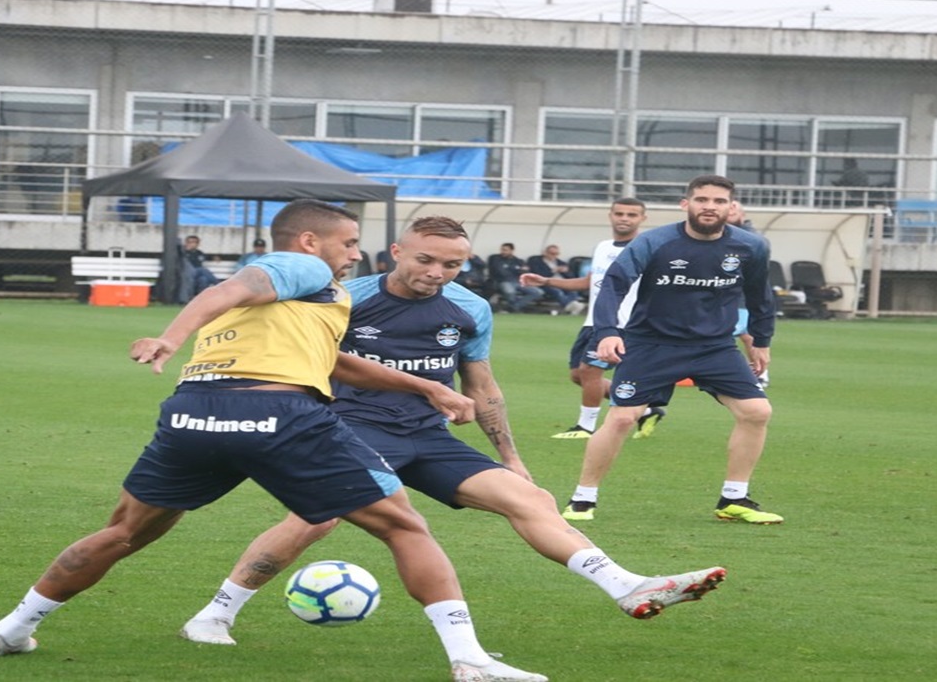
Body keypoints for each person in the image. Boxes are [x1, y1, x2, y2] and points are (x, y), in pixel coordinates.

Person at [0, 200, 545, 682]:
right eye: (348, 244)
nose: (355, 255)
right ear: (311, 241)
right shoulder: (298, 269)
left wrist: (426, 388)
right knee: (403, 525)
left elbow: (334, 362)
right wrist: (169, 337)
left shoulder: (300, 304)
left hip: (194, 413)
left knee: (124, 532)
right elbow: (243, 283)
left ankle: (10, 630)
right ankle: (470, 661)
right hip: (277, 412)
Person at [179, 216, 724, 654]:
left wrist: (510, 456)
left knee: (528, 498)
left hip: (426, 436)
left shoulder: (470, 308)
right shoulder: (345, 295)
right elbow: (311, 355)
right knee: (316, 519)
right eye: (426, 259)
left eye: (453, 264)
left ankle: (627, 586)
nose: (438, 272)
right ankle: (214, 614)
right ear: (396, 252)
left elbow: (480, 384)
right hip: (350, 429)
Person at [562, 175, 781, 525]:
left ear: (731, 207)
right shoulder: (655, 242)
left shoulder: (750, 246)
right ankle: (582, 499)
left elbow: (760, 296)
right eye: (702, 200)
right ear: (686, 204)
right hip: (651, 343)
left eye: (719, 201)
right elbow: (613, 286)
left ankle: (733, 498)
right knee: (621, 418)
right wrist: (606, 332)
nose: (710, 206)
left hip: (715, 346)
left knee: (757, 411)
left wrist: (762, 340)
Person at [520, 198, 663, 442]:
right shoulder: (603, 246)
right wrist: (546, 281)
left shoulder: (646, 249)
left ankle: (585, 427)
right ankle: (648, 410)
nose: (624, 218)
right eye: (619, 213)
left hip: (621, 325)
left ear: (643, 219)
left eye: (632, 214)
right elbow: (590, 282)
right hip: (592, 322)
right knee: (578, 375)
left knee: (589, 371)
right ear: (610, 215)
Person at [727, 201, 769, 389]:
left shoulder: (752, 239)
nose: (729, 211)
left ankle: (758, 373)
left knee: (745, 333)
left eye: (733, 208)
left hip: (741, 295)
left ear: (742, 213)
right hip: (719, 294)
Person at [526, 244, 583, 315]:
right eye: (552, 253)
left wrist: (566, 272)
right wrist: (553, 271)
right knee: (557, 291)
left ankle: (572, 306)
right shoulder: (536, 261)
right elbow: (538, 275)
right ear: (545, 253)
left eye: (556, 254)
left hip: (562, 282)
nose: (554, 256)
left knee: (573, 290)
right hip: (547, 283)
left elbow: (572, 277)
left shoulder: (561, 263)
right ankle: (571, 307)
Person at [486, 242, 540, 313]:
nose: (503, 252)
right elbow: (500, 272)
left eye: (505, 250)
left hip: (518, 282)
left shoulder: (518, 261)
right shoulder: (495, 258)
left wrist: (519, 270)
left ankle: (514, 307)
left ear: (512, 250)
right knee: (510, 292)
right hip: (502, 281)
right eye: (502, 249)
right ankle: (515, 308)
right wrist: (517, 270)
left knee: (538, 292)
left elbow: (525, 271)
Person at [179, 234, 221, 302]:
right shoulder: (182, 252)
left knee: (203, 279)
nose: (192, 244)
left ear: (198, 244)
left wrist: (214, 257)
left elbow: (206, 257)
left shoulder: (199, 253)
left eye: (194, 242)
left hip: (196, 277)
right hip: (187, 274)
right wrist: (185, 250)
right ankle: (219, 285)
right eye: (190, 242)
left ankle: (200, 300)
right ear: (186, 243)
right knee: (203, 270)